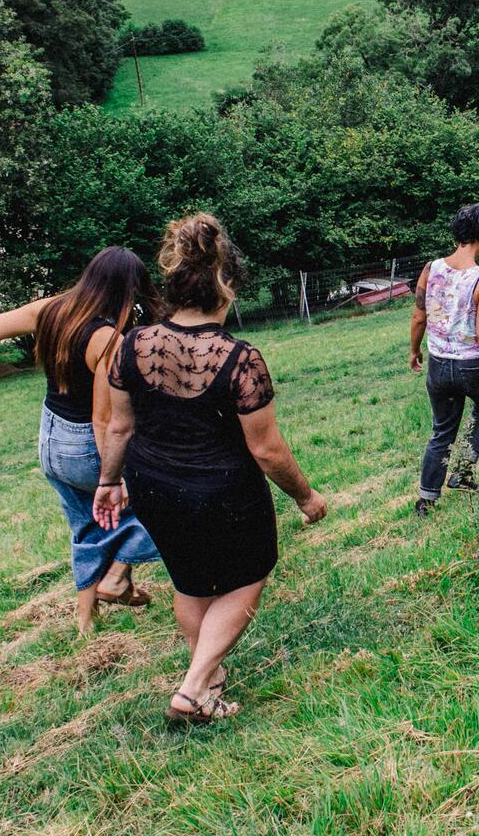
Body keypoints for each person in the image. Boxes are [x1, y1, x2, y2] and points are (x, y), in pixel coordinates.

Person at [94, 213, 326, 725]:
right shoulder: (240, 358)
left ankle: (209, 687)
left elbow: (117, 428)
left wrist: (109, 482)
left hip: (151, 485)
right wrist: (306, 498)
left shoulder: (130, 345)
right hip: (222, 491)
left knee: (191, 583)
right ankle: (194, 686)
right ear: (226, 284)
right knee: (248, 576)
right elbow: (266, 450)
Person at [0, 247, 163, 636]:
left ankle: (85, 624)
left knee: (85, 527)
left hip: (49, 440)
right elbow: (102, 419)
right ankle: (116, 577)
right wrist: (115, 477)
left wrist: (38, 313)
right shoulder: (107, 339)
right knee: (159, 504)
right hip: (82, 444)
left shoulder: (51, 310)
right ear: (125, 292)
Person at [408, 203, 479, 517]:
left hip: (438, 364)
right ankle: (464, 472)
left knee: (442, 429)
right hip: (471, 365)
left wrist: (414, 351)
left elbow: (418, 317)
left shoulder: (431, 268)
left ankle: (426, 500)